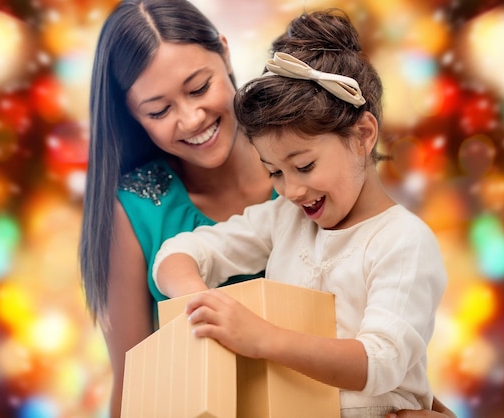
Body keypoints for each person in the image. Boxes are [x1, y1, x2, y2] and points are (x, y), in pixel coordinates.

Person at [78, 1, 455, 417]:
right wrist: (204, 304)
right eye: (160, 110)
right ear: (133, 115)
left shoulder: (333, 204)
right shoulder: (285, 215)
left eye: (199, 87)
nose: (190, 118)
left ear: (224, 53)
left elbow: (388, 361)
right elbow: (134, 387)